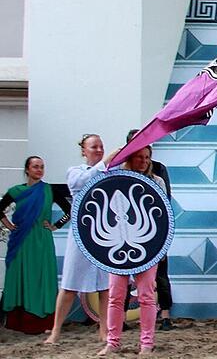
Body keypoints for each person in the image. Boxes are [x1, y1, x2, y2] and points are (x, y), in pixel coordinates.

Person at [45, 134, 121, 345]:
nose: (98, 150)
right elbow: (80, 184)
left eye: (101, 146)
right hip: (80, 234)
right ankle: (55, 331)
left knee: (106, 287)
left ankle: (104, 331)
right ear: (84, 151)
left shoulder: (112, 172)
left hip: (105, 234)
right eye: (93, 146)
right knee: (69, 284)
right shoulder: (75, 171)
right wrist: (105, 164)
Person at [99, 146, 168, 356]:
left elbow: (162, 216)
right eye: (140, 157)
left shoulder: (157, 182)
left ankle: (147, 342)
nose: (144, 161)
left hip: (147, 248)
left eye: (147, 157)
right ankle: (112, 342)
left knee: (146, 295)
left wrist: (160, 247)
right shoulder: (116, 179)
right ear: (130, 158)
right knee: (116, 295)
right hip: (117, 247)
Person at [1, 156, 71, 334]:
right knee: (20, 276)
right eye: (35, 167)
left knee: (41, 277)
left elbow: (69, 211)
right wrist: (9, 226)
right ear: (27, 170)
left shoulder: (49, 190)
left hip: (42, 241)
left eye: (42, 167)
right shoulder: (16, 191)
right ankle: (17, 321)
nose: (39, 170)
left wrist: (56, 225)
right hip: (21, 242)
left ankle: (43, 321)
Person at [126, 129, 175, 332]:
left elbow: (165, 205)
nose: (144, 160)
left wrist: (163, 241)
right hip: (128, 234)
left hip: (152, 232)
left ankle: (165, 316)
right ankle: (121, 318)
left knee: (160, 274)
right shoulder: (121, 173)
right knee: (125, 276)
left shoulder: (158, 173)